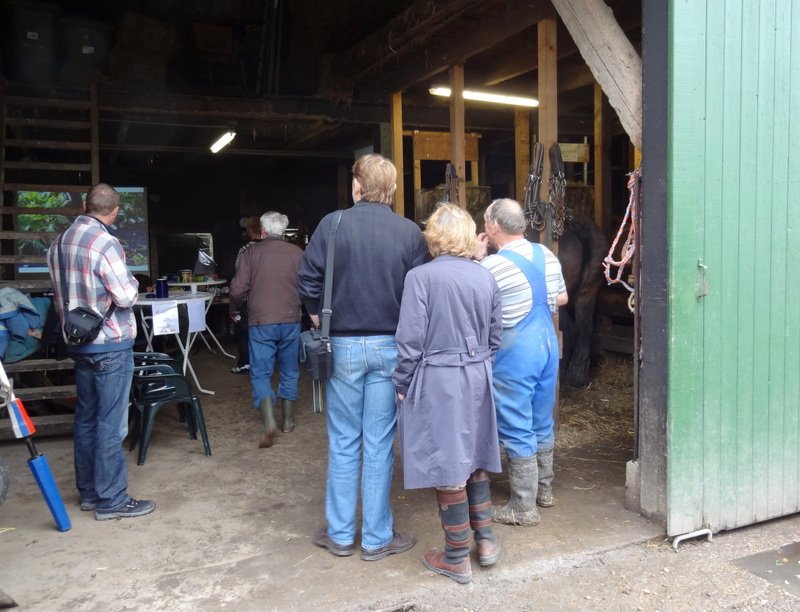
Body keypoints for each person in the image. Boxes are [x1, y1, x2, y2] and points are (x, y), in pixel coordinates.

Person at [299, 153, 427, 561]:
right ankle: (375, 538)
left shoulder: (332, 224)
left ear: (357, 186)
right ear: (392, 189)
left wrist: (320, 319)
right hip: (391, 346)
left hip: (342, 347)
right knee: (379, 443)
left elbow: (308, 280)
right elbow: (419, 294)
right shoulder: (410, 232)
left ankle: (339, 535)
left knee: (343, 440)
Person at [393, 203, 503, 584]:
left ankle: (456, 556)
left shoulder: (419, 278)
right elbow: (496, 336)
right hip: (478, 375)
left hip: (440, 379)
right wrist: (478, 365)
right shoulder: (485, 276)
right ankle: (486, 541)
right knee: (474, 455)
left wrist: (402, 384)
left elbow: (409, 341)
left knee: (448, 462)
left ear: (433, 237)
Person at [46, 183, 155, 520]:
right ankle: (112, 500)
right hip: (110, 343)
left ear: (84, 205)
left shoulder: (58, 242)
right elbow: (126, 296)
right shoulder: (105, 243)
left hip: (79, 343)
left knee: (86, 419)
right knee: (110, 424)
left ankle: (90, 494)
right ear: (116, 211)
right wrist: (134, 282)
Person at [476, 198, 568, 526]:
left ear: (494, 227)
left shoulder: (492, 266)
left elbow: (474, 303)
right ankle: (544, 491)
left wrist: (477, 259)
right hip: (546, 345)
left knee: (516, 423)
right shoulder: (546, 254)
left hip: (516, 351)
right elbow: (562, 297)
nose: (483, 227)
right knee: (542, 419)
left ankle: (523, 507)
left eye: (485, 221)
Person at [229, 211, 304, 447]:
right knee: (290, 370)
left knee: (261, 373)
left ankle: (269, 421)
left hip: (261, 321)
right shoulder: (297, 253)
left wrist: (233, 308)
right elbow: (309, 285)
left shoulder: (251, 253)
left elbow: (237, 289)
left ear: (262, 231)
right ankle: (288, 422)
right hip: (291, 319)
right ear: (283, 230)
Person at [230, 216, 264, 375]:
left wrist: (234, 305)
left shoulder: (245, 250)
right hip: (271, 300)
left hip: (250, 298)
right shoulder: (274, 249)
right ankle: (264, 363)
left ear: (250, 231)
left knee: (244, 330)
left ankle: (245, 363)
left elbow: (240, 276)